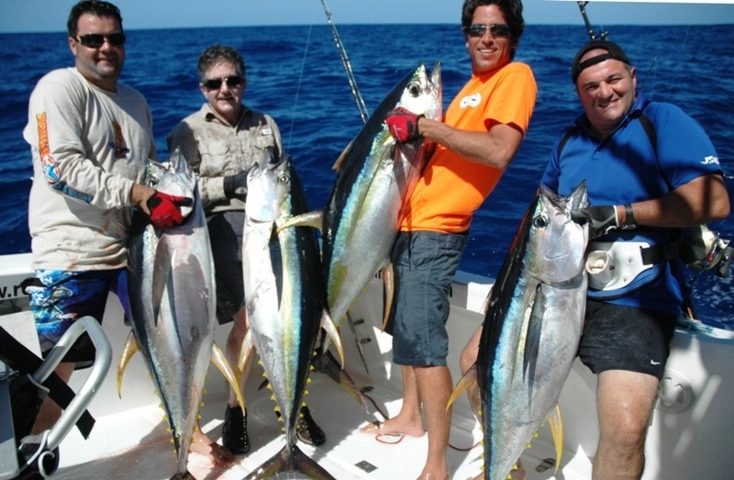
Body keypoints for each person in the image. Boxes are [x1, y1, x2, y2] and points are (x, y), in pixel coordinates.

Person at [22, 0, 226, 469]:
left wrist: (166, 197)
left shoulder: (134, 102)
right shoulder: (58, 89)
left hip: (134, 249)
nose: (106, 47)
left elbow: (148, 172)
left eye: (114, 37)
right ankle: (33, 450)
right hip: (71, 251)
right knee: (62, 363)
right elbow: (59, 170)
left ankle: (185, 430)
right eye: (93, 39)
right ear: (74, 43)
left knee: (167, 340)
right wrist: (140, 194)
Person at [360, 1, 537, 478]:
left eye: (496, 29)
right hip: (409, 230)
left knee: (426, 346)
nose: (485, 38)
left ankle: (436, 465)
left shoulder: (515, 76)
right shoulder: (471, 89)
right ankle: (411, 416)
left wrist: (425, 126)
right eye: (477, 28)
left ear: (512, 36)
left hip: (437, 234)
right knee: (410, 335)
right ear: (465, 35)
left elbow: (499, 151)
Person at [541, 39, 730, 478]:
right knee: (475, 360)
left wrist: (624, 213)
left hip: (635, 301)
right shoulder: (568, 141)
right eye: (591, 86)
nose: (604, 92)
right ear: (578, 92)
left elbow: (715, 201)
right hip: (559, 290)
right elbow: (539, 213)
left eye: (613, 79)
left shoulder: (663, 121)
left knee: (625, 430)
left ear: (633, 78)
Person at [167, 44, 326, 456]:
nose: (226, 89)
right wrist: (229, 184)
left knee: (288, 318)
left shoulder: (265, 123)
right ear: (202, 88)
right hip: (219, 235)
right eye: (216, 83)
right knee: (247, 324)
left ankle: (294, 401)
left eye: (233, 80)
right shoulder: (187, 131)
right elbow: (181, 191)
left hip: (271, 236)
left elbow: (285, 178)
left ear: (244, 82)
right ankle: (237, 408)